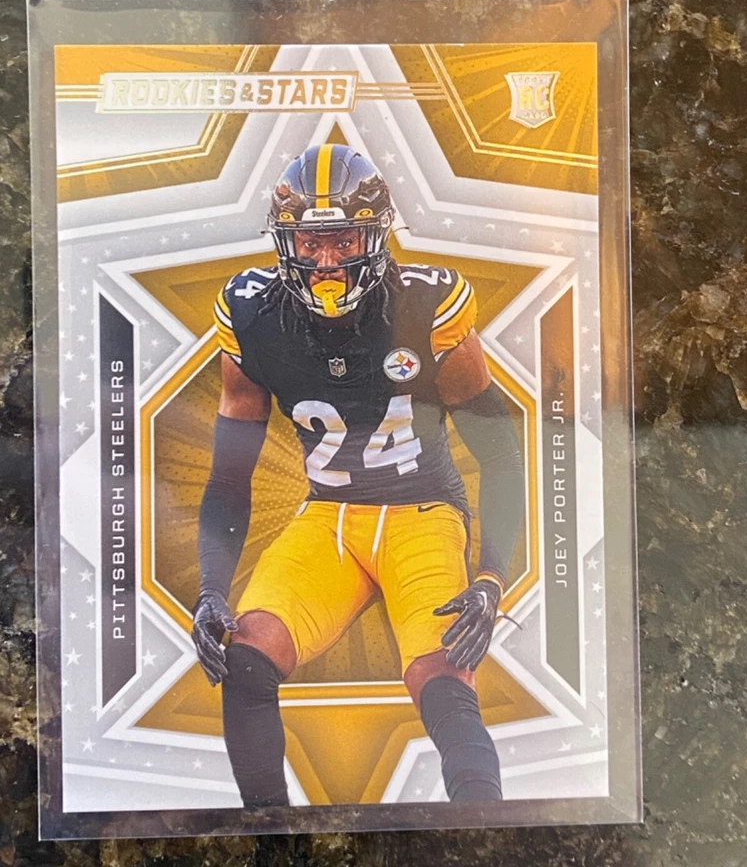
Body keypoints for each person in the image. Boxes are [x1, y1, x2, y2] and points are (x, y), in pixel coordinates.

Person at [191, 143, 525, 807]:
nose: (325, 262)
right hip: (329, 517)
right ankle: (270, 837)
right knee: (245, 658)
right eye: (309, 243)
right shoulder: (252, 315)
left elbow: (499, 454)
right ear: (285, 242)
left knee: (442, 681)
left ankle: (485, 834)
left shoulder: (427, 305)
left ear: (374, 236)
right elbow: (229, 477)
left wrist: (491, 577)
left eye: (343, 240)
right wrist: (210, 588)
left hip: (422, 512)